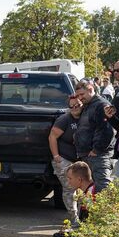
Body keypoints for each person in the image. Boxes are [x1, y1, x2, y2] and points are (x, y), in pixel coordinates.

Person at [43, 162, 96, 237]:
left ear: (79, 179)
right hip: (85, 234)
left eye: (70, 178)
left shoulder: (91, 195)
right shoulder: (87, 191)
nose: (68, 181)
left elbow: (89, 227)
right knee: (57, 236)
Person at [73, 79, 115, 191]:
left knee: (103, 191)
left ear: (91, 89)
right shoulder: (88, 105)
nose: (80, 97)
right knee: (91, 192)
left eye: (82, 94)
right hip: (89, 155)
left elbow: (108, 130)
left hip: (99, 156)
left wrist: (96, 150)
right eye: (78, 95)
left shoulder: (102, 105)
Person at [48, 96, 82, 224]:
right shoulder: (64, 119)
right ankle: (74, 219)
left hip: (80, 159)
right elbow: (52, 137)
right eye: (71, 106)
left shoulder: (86, 117)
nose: (74, 108)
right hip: (64, 159)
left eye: (77, 105)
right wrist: (57, 157)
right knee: (69, 189)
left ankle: (83, 216)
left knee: (83, 189)